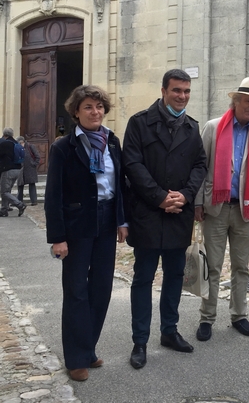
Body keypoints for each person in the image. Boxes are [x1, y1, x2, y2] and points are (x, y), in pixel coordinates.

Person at [123, 69, 207, 369]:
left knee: (174, 277)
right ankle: (140, 340)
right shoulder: (139, 122)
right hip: (147, 213)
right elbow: (132, 164)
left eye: (186, 91)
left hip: (178, 215)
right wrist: (159, 197)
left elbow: (200, 164)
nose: (182, 96)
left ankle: (169, 331)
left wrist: (184, 195)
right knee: (143, 278)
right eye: (176, 91)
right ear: (163, 91)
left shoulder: (191, 127)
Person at [45, 85, 127, 382]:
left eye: (99, 107)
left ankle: (88, 349)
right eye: (89, 107)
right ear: (76, 112)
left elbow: (119, 186)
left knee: (101, 288)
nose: (95, 112)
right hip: (77, 225)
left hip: (106, 222)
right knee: (77, 291)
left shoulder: (112, 142)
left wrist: (121, 220)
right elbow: (53, 195)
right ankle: (76, 358)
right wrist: (58, 237)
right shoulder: (63, 147)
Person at [194, 77, 249, 341]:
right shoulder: (213, 128)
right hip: (215, 207)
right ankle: (207, 318)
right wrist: (197, 203)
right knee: (213, 267)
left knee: (242, 266)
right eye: (248, 101)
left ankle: (239, 315)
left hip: (244, 209)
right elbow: (200, 168)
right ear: (236, 100)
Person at [0, 127, 26, 217]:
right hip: (18, 170)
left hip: (8, 170)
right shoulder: (16, 143)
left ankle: (20, 204)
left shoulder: (5, 144)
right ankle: (4, 209)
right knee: (7, 191)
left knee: (4, 192)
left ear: (5, 135)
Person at [16, 136, 40, 206]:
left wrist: (34, 164)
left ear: (22, 142)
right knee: (20, 185)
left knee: (32, 184)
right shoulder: (18, 148)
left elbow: (37, 156)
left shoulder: (30, 146)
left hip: (30, 169)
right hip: (21, 169)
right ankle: (18, 201)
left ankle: (34, 201)